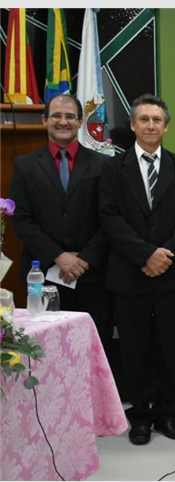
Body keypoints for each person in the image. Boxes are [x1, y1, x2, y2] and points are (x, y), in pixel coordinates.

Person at [99, 94, 175, 445]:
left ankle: (168, 415)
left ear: (166, 125)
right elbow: (109, 217)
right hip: (129, 274)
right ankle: (140, 415)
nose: (150, 125)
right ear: (132, 125)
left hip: (173, 273)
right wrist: (145, 255)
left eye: (157, 120)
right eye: (143, 119)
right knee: (135, 348)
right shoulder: (112, 168)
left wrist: (166, 253)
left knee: (170, 348)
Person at [8, 94, 112, 349]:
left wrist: (84, 258)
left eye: (69, 116)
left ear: (80, 122)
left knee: (93, 348)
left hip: (94, 277)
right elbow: (21, 220)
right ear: (45, 120)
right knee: (46, 351)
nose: (63, 122)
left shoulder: (104, 165)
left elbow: (111, 218)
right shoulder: (24, 166)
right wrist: (59, 256)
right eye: (56, 115)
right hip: (42, 276)